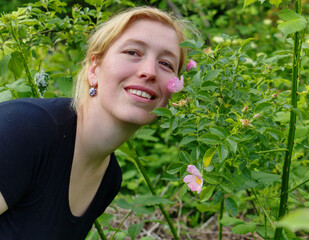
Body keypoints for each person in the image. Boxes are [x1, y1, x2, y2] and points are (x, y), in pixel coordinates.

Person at [0, 6, 188, 239]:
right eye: (133, 52)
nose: (149, 71)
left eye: (166, 64)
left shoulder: (109, 178)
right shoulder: (26, 129)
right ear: (94, 69)